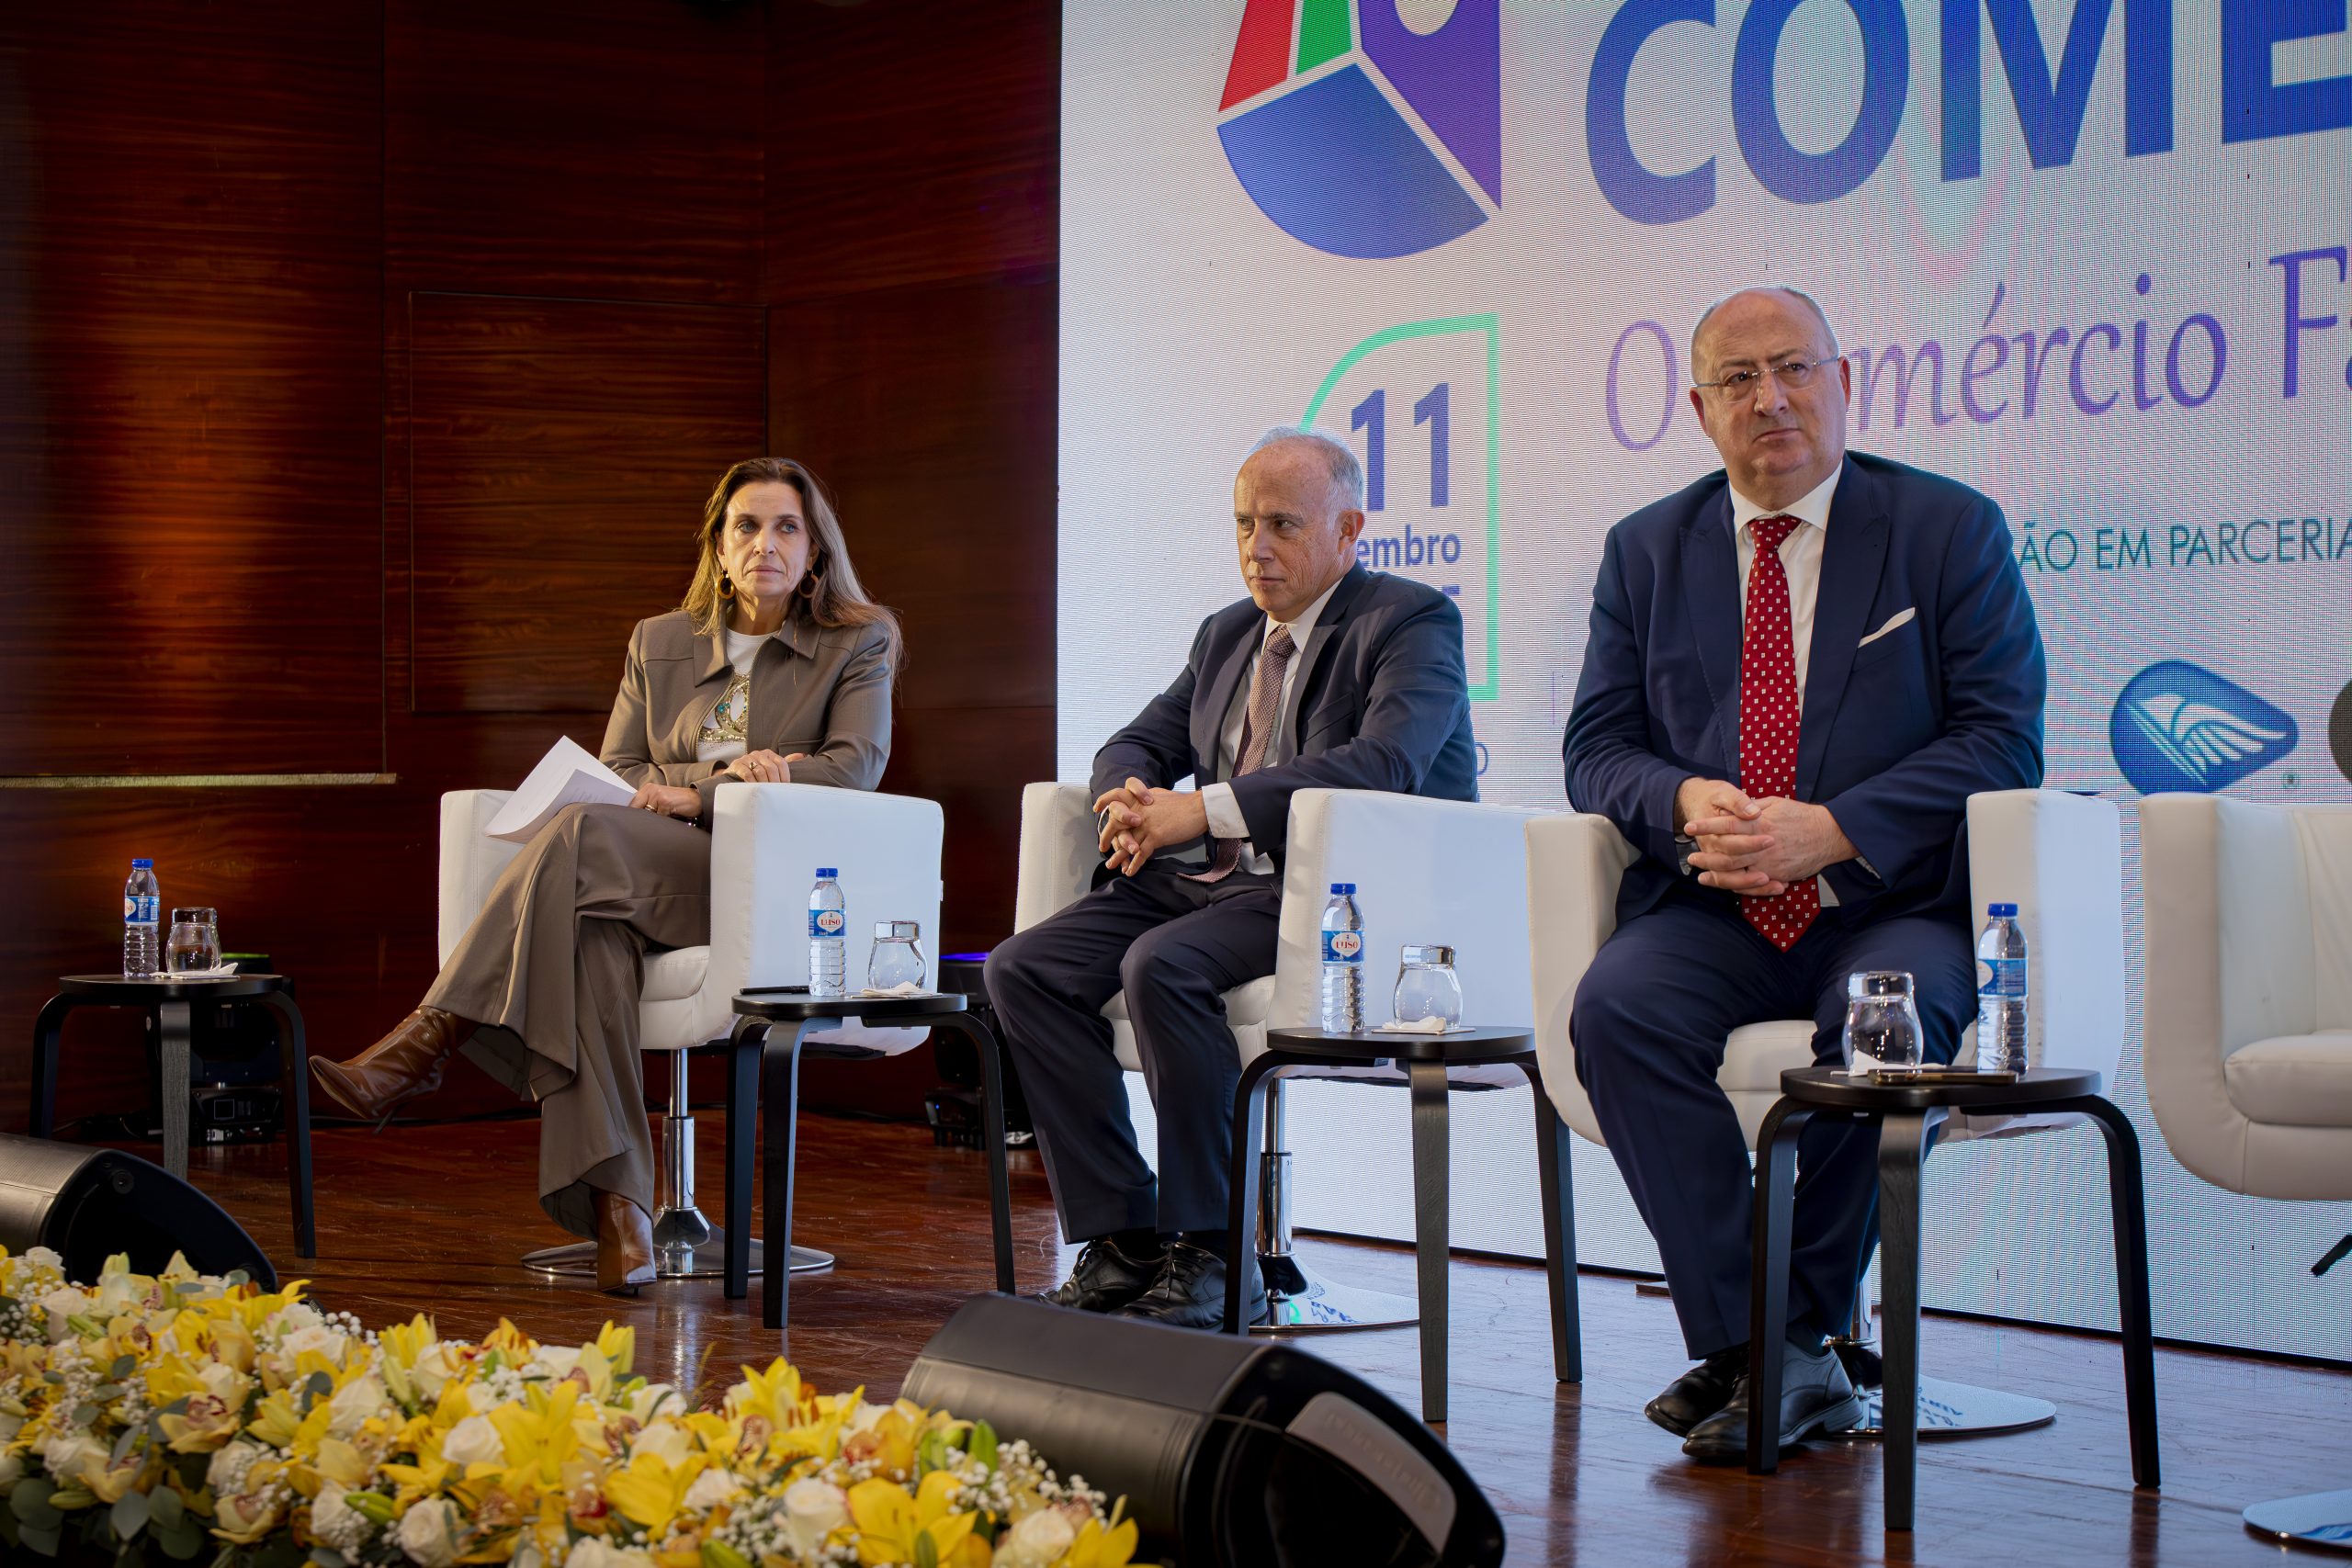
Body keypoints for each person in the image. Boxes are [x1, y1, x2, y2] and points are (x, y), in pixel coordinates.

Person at [1562, 287, 2045, 1462]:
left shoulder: (1945, 529)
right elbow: (1595, 748)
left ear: (1843, 382)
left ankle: (1774, 1347)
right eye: (1737, 379)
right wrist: (1678, 799)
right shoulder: (1645, 549)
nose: (1769, 400)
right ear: (1698, 406)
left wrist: (1832, 830)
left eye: (1793, 370)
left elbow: (2000, 738)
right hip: (1714, 902)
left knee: (1879, 1021)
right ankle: (1771, 1352)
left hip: (1894, 900)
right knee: (1615, 1008)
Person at [310, 458, 900, 1295]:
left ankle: (430, 1034)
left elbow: (852, 768)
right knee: (591, 932)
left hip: (764, 877)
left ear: (815, 550)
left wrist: (701, 793)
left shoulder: (858, 639)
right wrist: (708, 781)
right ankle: (624, 1214)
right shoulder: (658, 640)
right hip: (637, 865)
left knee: (582, 835)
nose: (765, 543)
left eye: (786, 527)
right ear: (718, 546)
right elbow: (620, 762)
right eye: (746, 525)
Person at [986, 426, 1479, 1328]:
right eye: (1244, 524)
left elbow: (1385, 764)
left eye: (1283, 524)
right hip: (1206, 884)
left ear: (1348, 530)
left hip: (1336, 895)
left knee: (1160, 967)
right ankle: (1123, 1237)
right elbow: (1132, 744)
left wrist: (1205, 809)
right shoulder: (1225, 634)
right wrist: (1126, 804)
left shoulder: (1408, 621)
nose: (1257, 547)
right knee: (1021, 968)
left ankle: (1213, 1254)